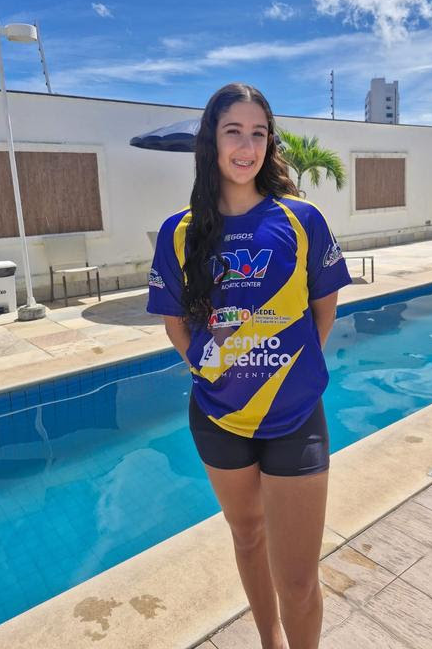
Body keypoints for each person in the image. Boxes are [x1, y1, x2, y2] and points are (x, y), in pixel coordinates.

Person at [147, 83, 351, 649]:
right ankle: (269, 642)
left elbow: (323, 310)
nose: (246, 146)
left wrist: (286, 368)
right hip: (218, 418)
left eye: (258, 133)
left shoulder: (301, 218)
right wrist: (212, 366)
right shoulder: (180, 231)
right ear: (211, 142)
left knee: (299, 582)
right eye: (233, 131)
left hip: (295, 418)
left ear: (269, 143)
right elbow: (175, 323)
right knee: (247, 536)